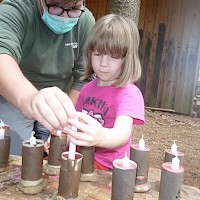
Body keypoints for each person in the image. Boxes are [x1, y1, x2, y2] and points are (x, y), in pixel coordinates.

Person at [0, 0, 95, 155]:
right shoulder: (14, 9)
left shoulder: (85, 21)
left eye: (74, 9)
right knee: (11, 153)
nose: (65, 17)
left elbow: (83, 76)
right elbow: (2, 56)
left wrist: (66, 119)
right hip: (14, 99)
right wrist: (30, 99)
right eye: (56, 8)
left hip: (62, 100)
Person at [65, 14, 145, 170]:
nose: (103, 63)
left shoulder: (129, 94)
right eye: (97, 54)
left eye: (114, 56)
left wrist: (100, 137)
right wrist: (62, 137)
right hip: (78, 155)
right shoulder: (86, 89)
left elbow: (122, 134)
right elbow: (75, 124)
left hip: (106, 163)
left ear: (127, 59)